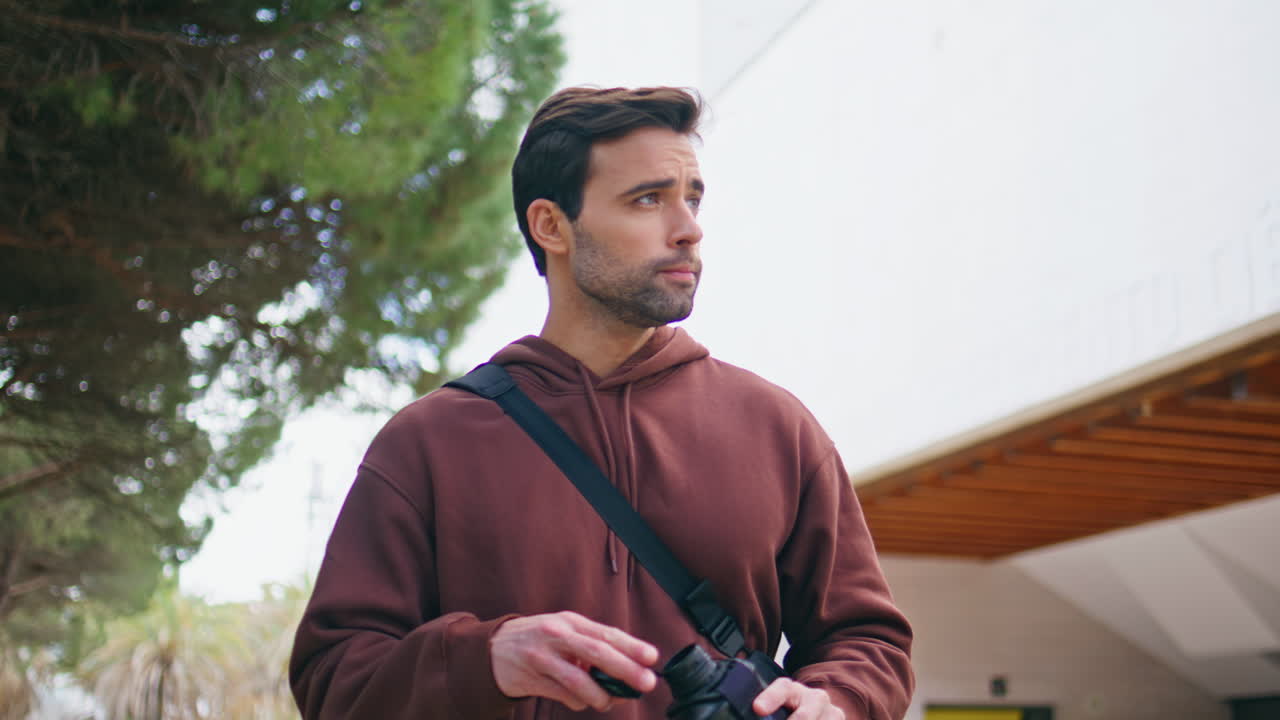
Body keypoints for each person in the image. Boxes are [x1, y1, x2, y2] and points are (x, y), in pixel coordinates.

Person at [289, 86, 914, 720]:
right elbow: (333, 676)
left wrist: (837, 701)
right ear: (551, 225)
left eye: (692, 199)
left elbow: (869, 641)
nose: (689, 230)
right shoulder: (426, 442)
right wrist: (485, 660)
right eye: (648, 200)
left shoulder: (780, 428)